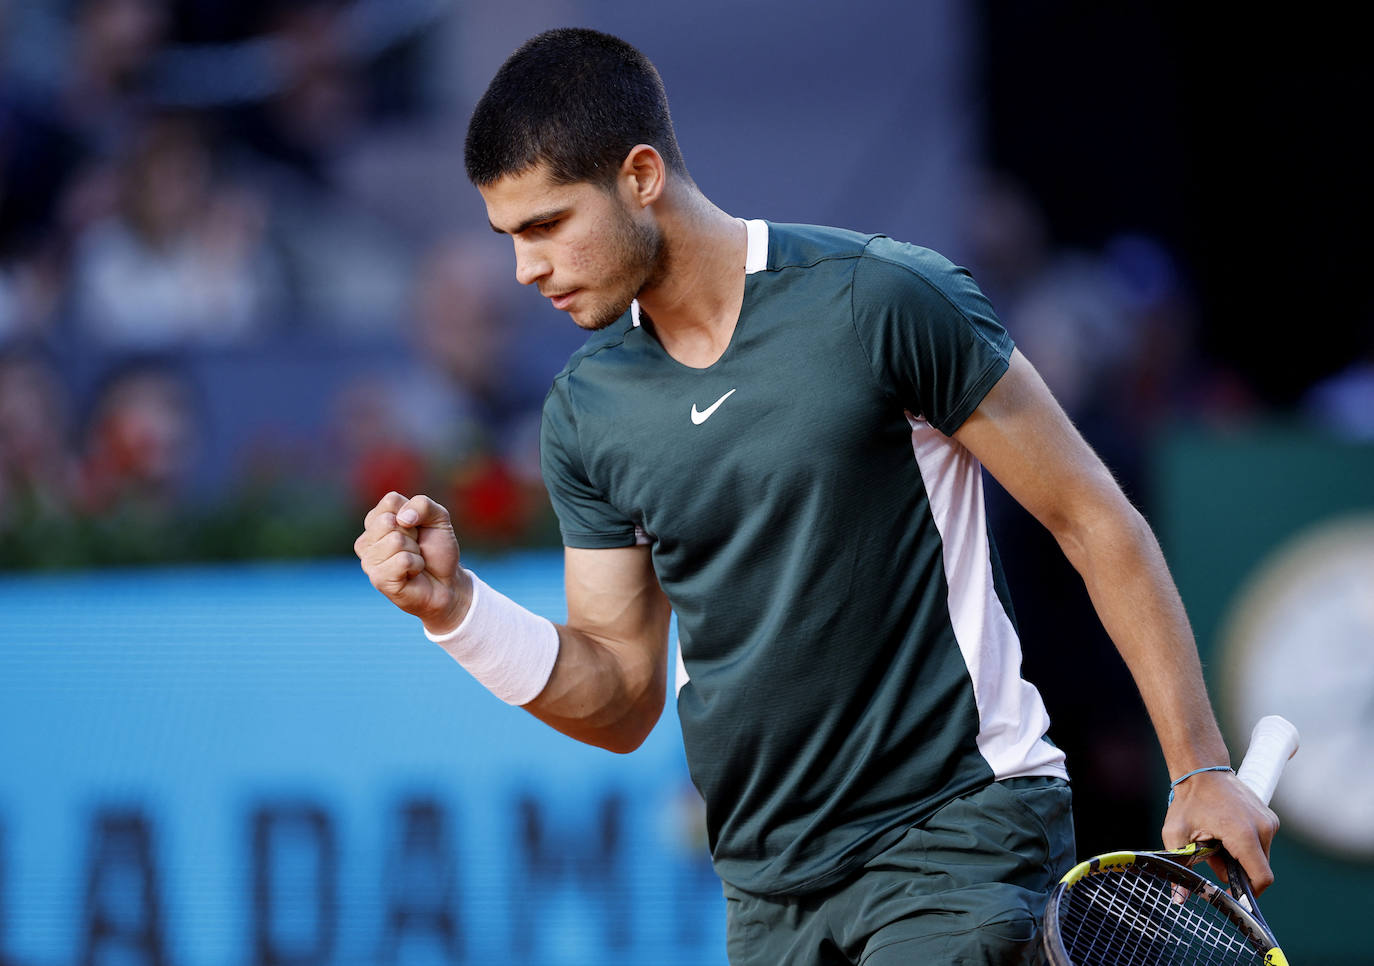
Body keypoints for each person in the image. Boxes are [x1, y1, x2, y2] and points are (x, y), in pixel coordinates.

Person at [354, 28, 1279, 965]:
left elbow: (1092, 517)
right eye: (509, 238)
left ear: (640, 176)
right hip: (766, 893)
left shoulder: (881, 299)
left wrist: (1198, 764)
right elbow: (620, 695)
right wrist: (456, 610)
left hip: (954, 838)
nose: (526, 270)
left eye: (547, 224)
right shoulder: (586, 412)